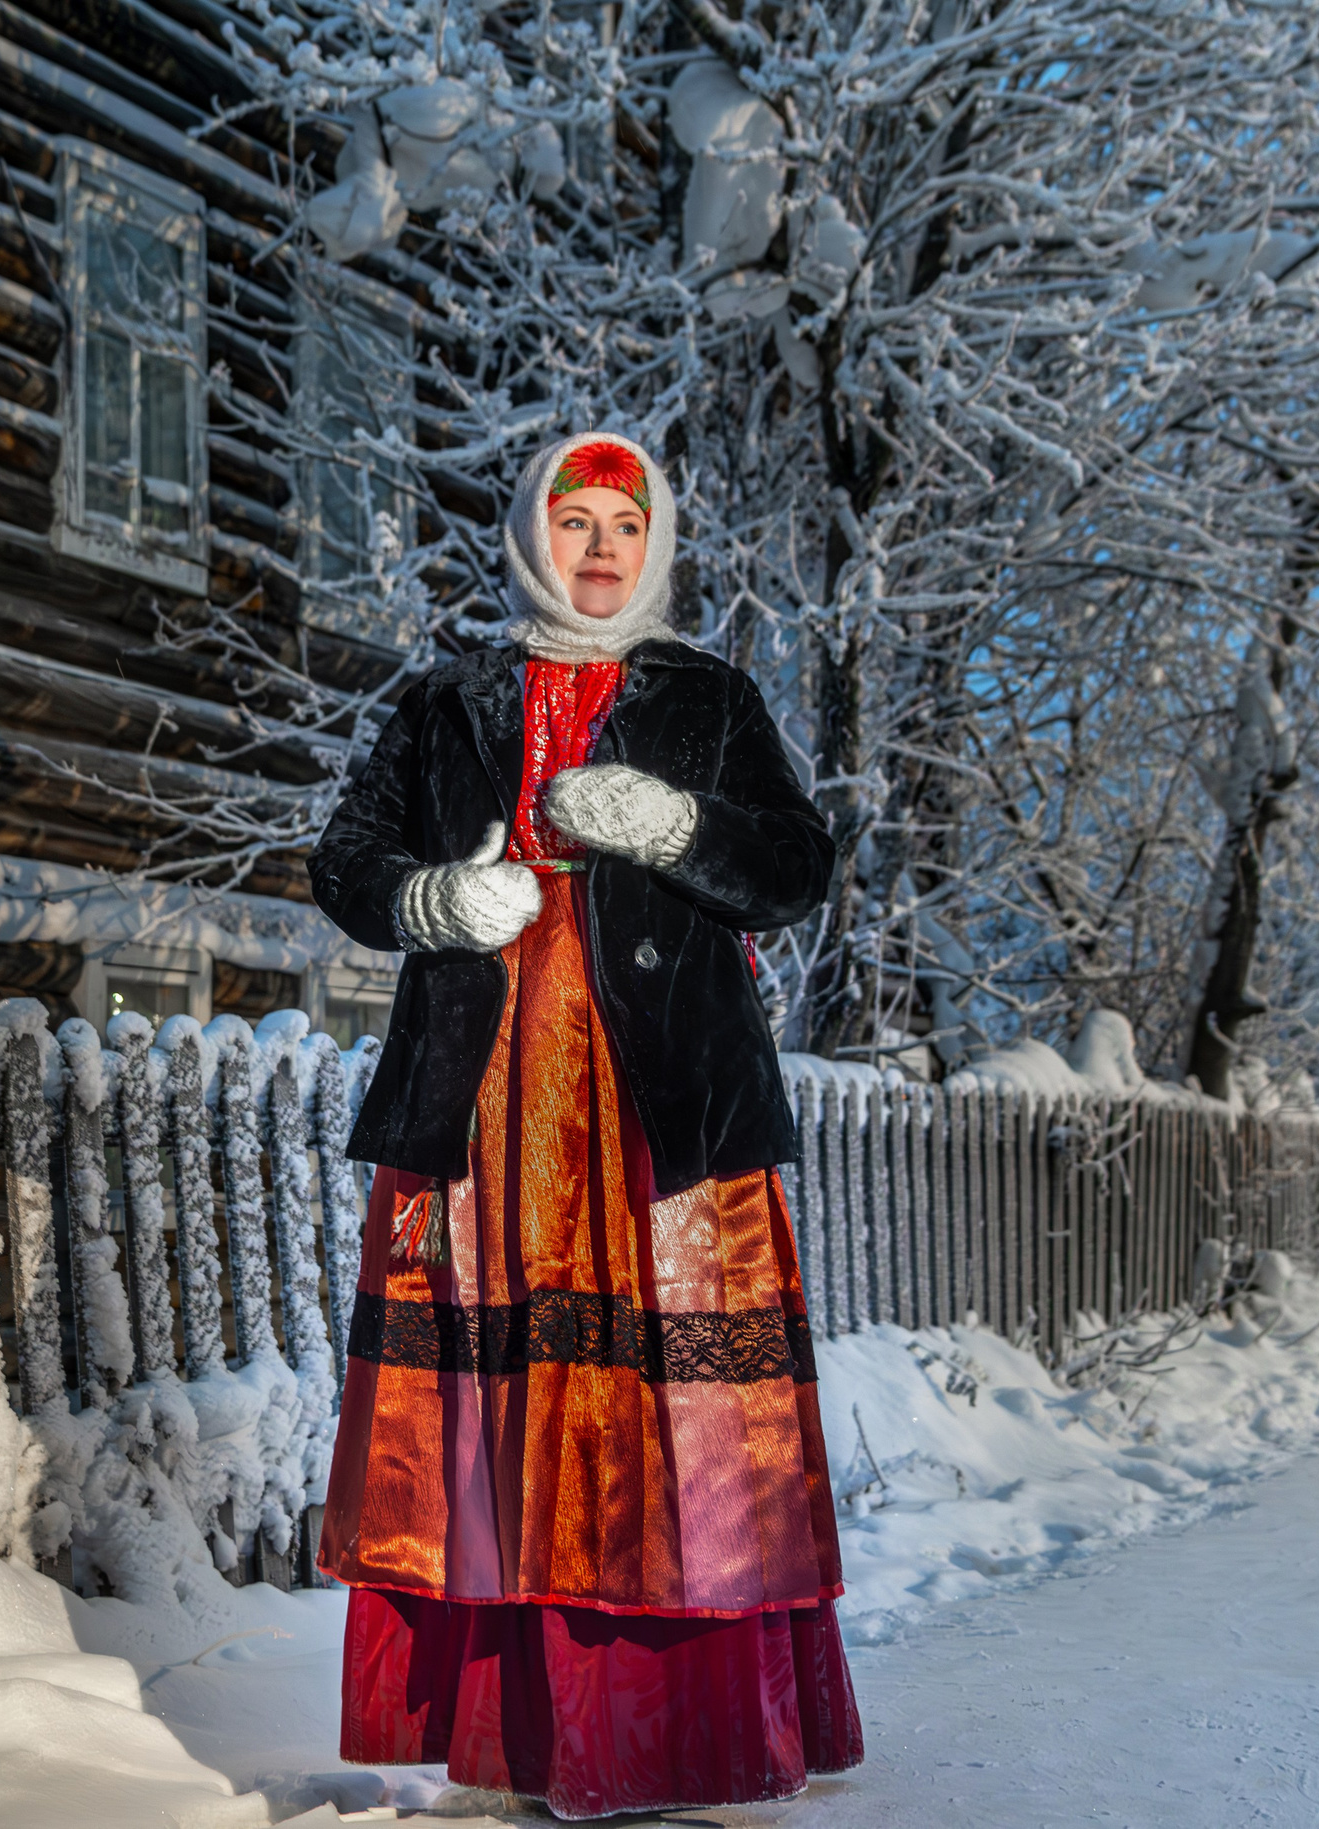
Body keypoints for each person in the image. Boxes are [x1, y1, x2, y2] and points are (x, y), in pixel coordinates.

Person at [308, 432, 863, 1818]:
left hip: (662, 1124)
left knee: (674, 1419)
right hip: (486, 1120)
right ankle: (520, 1736)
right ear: (530, 538)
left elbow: (797, 862)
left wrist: (674, 822)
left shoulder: (709, 698)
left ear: (656, 543)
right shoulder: (448, 704)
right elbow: (345, 859)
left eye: (627, 522)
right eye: (576, 522)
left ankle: (676, 1735)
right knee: (502, 1413)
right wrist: (435, 902)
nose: (603, 547)